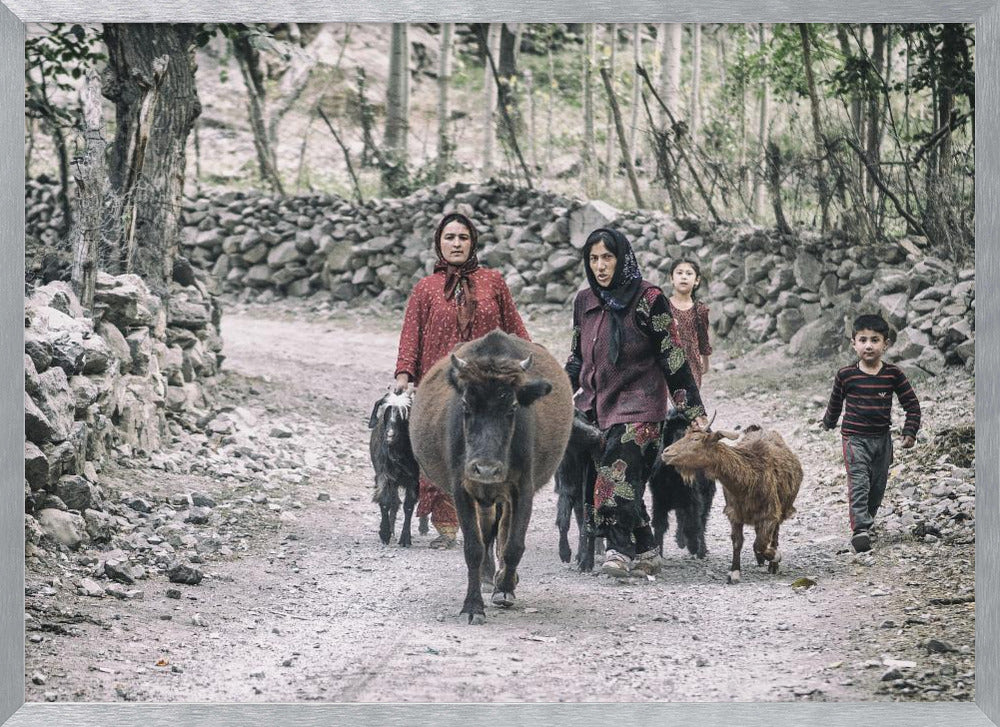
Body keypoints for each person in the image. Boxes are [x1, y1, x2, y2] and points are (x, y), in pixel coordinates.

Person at [565, 228, 707, 578]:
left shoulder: (649, 298)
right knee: (617, 478)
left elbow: (673, 358)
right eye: (593, 258)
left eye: (607, 257)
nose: (600, 266)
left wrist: (693, 412)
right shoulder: (584, 301)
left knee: (614, 477)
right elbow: (576, 359)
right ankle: (645, 543)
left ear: (622, 258)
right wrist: (553, 393)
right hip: (595, 407)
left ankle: (618, 549)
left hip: (639, 407)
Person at [394, 212, 531, 548]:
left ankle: (491, 513)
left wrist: (530, 361)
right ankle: (447, 521)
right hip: (441, 380)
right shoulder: (425, 288)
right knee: (445, 445)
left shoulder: (493, 281)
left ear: (473, 243)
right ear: (439, 243)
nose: (456, 244)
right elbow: (411, 334)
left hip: (487, 383)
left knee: (488, 439)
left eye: (463, 238)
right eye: (449, 238)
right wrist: (403, 374)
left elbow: (514, 328)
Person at [821, 313, 921, 554]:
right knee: (859, 482)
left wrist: (910, 431)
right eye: (863, 339)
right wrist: (828, 422)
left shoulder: (893, 374)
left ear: (885, 344)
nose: (868, 345)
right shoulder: (846, 375)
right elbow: (835, 403)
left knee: (877, 485)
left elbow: (912, 404)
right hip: (854, 439)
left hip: (882, 441)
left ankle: (868, 519)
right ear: (853, 343)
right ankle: (860, 530)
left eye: (875, 340)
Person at [667, 258, 712, 388]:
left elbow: (703, 337)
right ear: (672, 278)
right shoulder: (664, 306)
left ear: (697, 281)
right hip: (668, 363)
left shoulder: (700, 309)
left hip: (692, 363)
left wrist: (706, 362)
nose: (684, 277)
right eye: (679, 273)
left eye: (689, 273)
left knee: (690, 402)